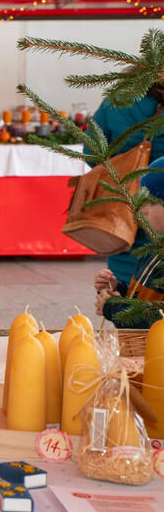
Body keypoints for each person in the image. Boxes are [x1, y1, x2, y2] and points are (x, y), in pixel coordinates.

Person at [90, 82, 164, 291]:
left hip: (121, 200)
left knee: (124, 256)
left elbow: (92, 148)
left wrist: (120, 170)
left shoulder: (118, 99)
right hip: (160, 196)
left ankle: (123, 298)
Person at [95, 154, 164, 328]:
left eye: (150, 201)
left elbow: (157, 319)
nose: (143, 210)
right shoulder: (153, 248)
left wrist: (115, 308)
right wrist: (119, 289)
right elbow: (146, 297)